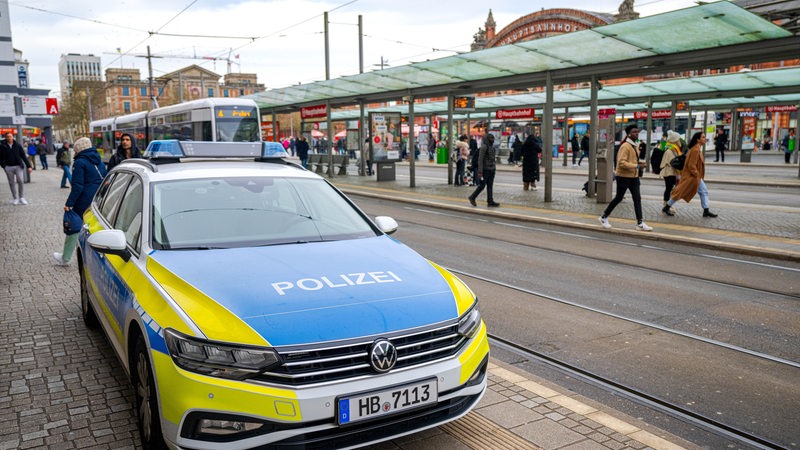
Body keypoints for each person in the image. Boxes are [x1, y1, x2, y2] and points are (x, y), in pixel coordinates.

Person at [53, 137, 107, 266]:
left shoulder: (80, 162)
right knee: (96, 226)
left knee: (74, 226)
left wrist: (69, 204)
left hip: (84, 199)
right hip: (99, 198)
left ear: (78, 149)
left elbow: (77, 186)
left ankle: (65, 258)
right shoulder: (98, 159)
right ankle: (99, 256)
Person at [599, 125, 652, 231]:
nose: (636, 134)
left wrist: (639, 164)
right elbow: (621, 163)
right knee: (619, 197)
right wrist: (637, 166)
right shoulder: (625, 146)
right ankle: (603, 217)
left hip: (634, 177)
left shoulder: (635, 145)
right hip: (623, 176)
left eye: (637, 132)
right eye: (634, 132)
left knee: (637, 199)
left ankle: (640, 223)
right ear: (628, 134)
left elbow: (632, 160)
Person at [663, 132, 718, 218]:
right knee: (680, 192)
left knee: (701, 191)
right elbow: (691, 165)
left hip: (693, 176)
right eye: (703, 137)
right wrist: (697, 175)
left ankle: (706, 210)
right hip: (692, 176)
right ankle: (667, 207)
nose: (705, 139)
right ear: (698, 139)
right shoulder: (695, 150)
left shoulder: (696, 149)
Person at [468, 134, 500, 207]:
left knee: (490, 186)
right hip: (485, 170)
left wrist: (494, 167)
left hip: (491, 169)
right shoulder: (484, 147)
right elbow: (480, 159)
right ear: (487, 139)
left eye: (493, 138)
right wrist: (480, 171)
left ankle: (490, 201)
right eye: (491, 138)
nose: (492, 140)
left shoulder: (492, 147)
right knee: (482, 185)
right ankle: (472, 197)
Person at [1, 132, 32, 205]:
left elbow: (23, 156)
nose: (9, 138)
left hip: (18, 166)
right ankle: (15, 198)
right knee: (12, 183)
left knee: (20, 180)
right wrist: (4, 166)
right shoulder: (2, 146)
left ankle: (21, 197)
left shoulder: (17, 145)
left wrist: (29, 166)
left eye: (10, 136)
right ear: (6, 137)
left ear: (13, 137)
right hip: (8, 167)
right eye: (8, 137)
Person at [659, 131, 682, 215]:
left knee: (670, 188)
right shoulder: (670, 150)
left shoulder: (674, 149)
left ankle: (667, 204)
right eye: (678, 139)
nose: (679, 141)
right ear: (674, 140)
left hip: (672, 172)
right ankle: (666, 204)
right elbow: (673, 162)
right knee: (669, 188)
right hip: (669, 172)